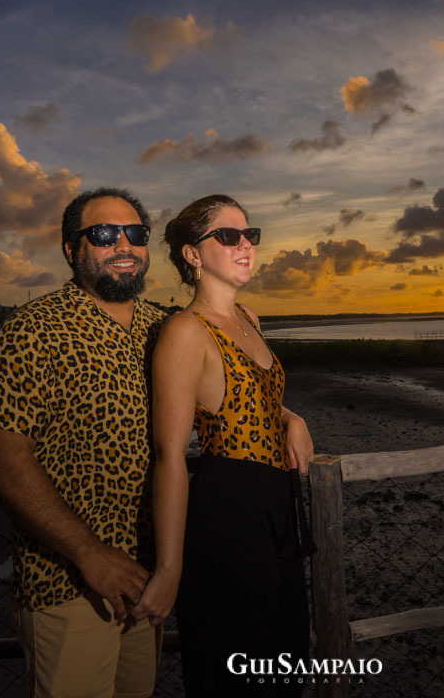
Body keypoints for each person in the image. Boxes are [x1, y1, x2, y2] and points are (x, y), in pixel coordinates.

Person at [0, 187, 165, 698]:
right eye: (103, 234)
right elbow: (4, 465)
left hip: (148, 578)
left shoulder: (163, 328)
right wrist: (89, 554)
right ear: (71, 249)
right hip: (66, 584)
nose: (123, 244)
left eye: (136, 233)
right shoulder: (29, 333)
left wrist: (285, 412)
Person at [132, 194, 315, 696]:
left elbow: (250, 400)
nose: (246, 245)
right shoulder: (184, 332)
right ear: (193, 255)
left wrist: (289, 414)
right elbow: (169, 454)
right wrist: (169, 568)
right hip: (229, 513)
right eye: (228, 236)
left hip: (279, 509)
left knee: (286, 667)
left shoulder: (249, 319)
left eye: (250, 235)